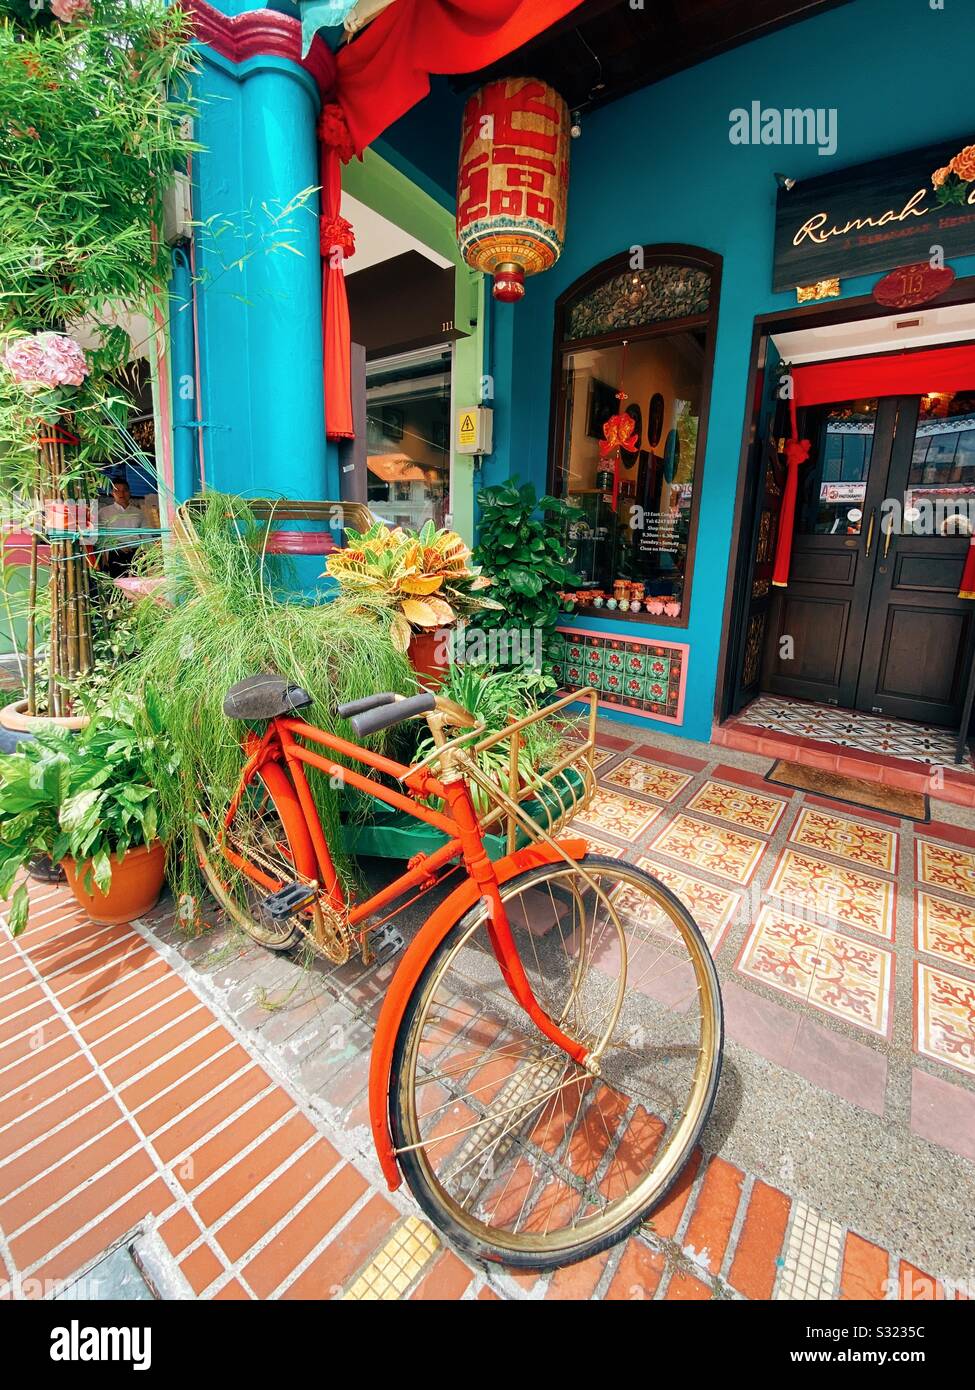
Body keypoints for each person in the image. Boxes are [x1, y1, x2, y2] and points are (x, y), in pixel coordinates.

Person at [97, 478, 144, 577]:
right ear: (112, 493)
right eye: (117, 490)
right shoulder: (104, 512)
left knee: (138, 584)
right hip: (115, 553)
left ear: (129, 492)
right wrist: (105, 556)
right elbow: (101, 537)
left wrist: (148, 555)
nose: (121, 493)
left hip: (136, 553)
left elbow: (146, 535)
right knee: (118, 585)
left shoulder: (139, 513)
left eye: (125, 490)